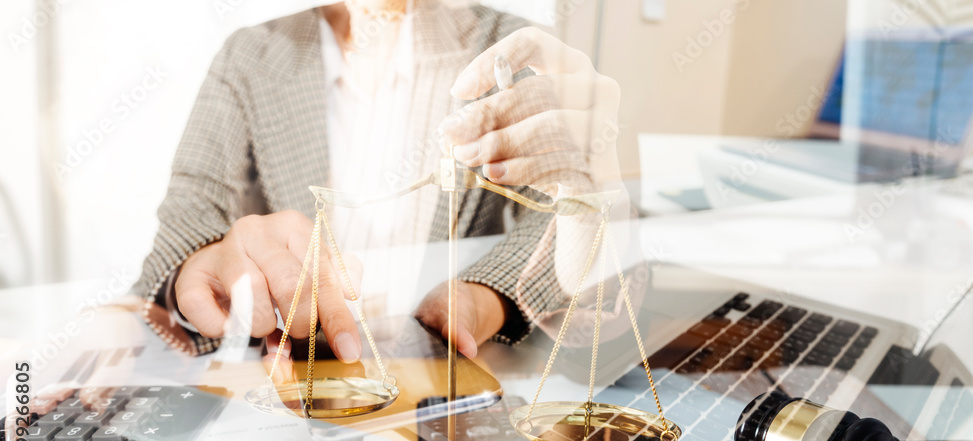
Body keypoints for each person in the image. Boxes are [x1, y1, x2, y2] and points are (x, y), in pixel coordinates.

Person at [135, 0, 625, 362]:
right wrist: (207, 265)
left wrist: (480, 297)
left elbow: (563, 219)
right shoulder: (252, 55)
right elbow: (188, 213)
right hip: (296, 379)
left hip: (451, 381)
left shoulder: (509, 48)